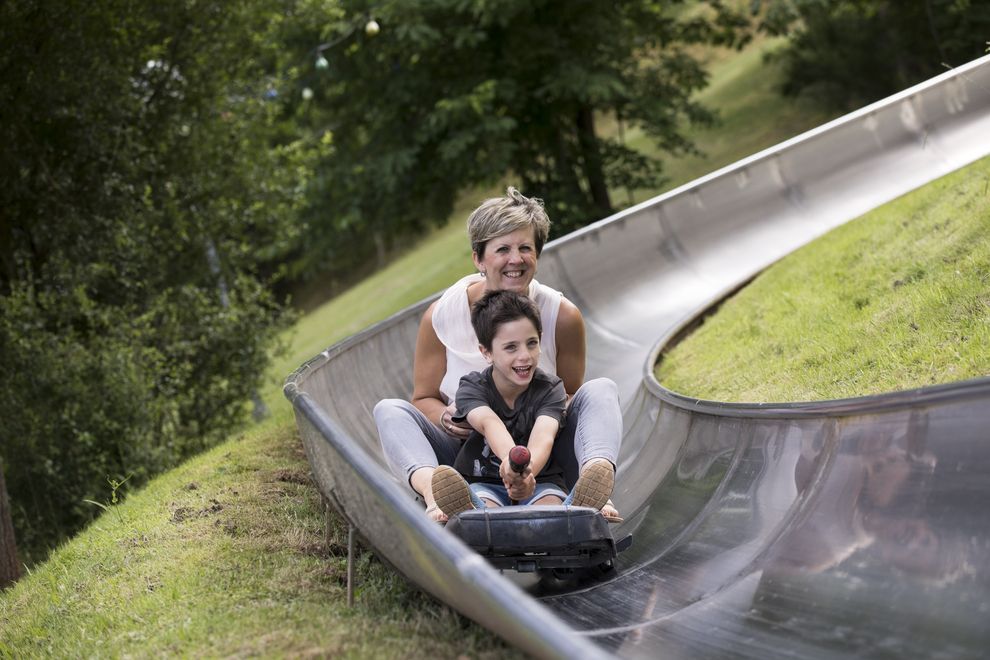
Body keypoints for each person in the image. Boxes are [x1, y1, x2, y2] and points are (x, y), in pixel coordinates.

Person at [374, 186, 622, 522]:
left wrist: (534, 431)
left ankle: (591, 483)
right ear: (478, 258)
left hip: (541, 451)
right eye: (502, 249)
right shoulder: (441, 316)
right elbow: (423, 398)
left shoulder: (562, 315)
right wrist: (448, 418)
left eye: (525, 248)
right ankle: (440, 495)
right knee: (390, 410)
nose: (515, 260)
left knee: (600, 389)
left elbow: (572, 395)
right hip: (465, 455)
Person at [431, 290, 614, 516]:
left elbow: (544, 436)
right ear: (486, 352)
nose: (525, 355)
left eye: (531, 343)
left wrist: (526, 474)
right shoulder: (472, 387)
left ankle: (573, 510)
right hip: (484, 484)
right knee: (487, 510)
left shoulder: (550, 388)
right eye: (511, 347)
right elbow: (489, 423)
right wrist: (511, 464)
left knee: (547, 510)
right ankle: (472, 514)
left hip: (540, 481)